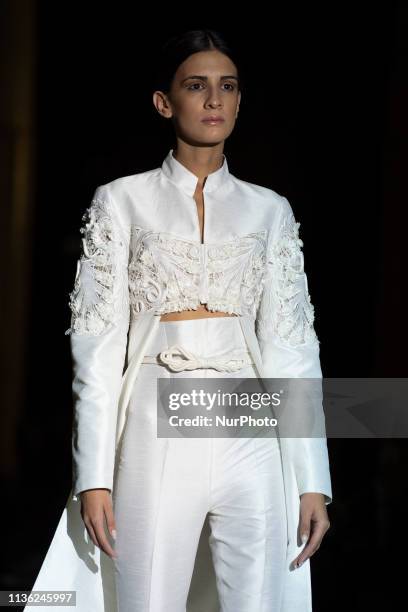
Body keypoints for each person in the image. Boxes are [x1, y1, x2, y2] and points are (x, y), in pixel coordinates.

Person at [26, 29, 332, 612]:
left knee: (260, 602)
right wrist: (93, 476)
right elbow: (96, 347)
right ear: (165, 102)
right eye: (197, 86)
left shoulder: (270, 211)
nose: (215, 100)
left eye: (228, 87)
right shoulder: (121, 201)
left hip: (252, 423)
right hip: (154, 421)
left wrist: (313, 477)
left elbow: (293, 344)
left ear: (241, 102)